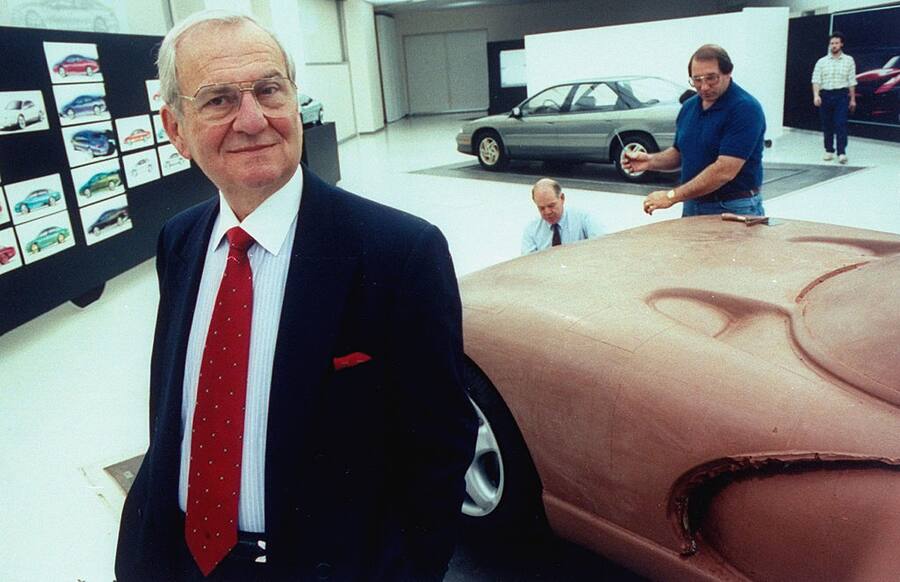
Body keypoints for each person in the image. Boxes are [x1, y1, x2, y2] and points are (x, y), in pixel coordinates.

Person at [115, 10, 477, 581]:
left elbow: (439, 447)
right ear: (176, 129)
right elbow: (175, 407)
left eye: (268, 89)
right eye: (218, 100)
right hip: (175, 558)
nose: (253, 119)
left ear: (295, 101)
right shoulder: (179, 241)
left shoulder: (399, 252)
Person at [624, 45, 766, 218]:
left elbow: (724, 171)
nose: (704, 87)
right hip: (693, 205)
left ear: (728, 72)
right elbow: (680, 153)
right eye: (697, 80)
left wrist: (671, 196)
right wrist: (649, 161)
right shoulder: (690, 107)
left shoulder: (745, 109)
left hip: (734, 208)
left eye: (711, 78)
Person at [521, 177, 601, 254]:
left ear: (562, 198)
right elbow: (528, 264)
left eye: (551, 206)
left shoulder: (583, 219)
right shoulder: (531, 230)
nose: (547, 212)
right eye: (541, 208)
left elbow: (602, 246)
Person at [811, 31, 857, 164]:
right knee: (827, 124)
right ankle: (829, 150)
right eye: (832, 43)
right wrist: (816, 95)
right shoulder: (822, 62)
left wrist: (853, 99)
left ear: (841, 44)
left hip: (841, 95)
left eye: (836, 43)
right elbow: (816, 80)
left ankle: (841, 152)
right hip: (825, 95)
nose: (834, 46)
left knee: (840, 123)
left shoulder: (849, 60)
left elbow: (851, 81)